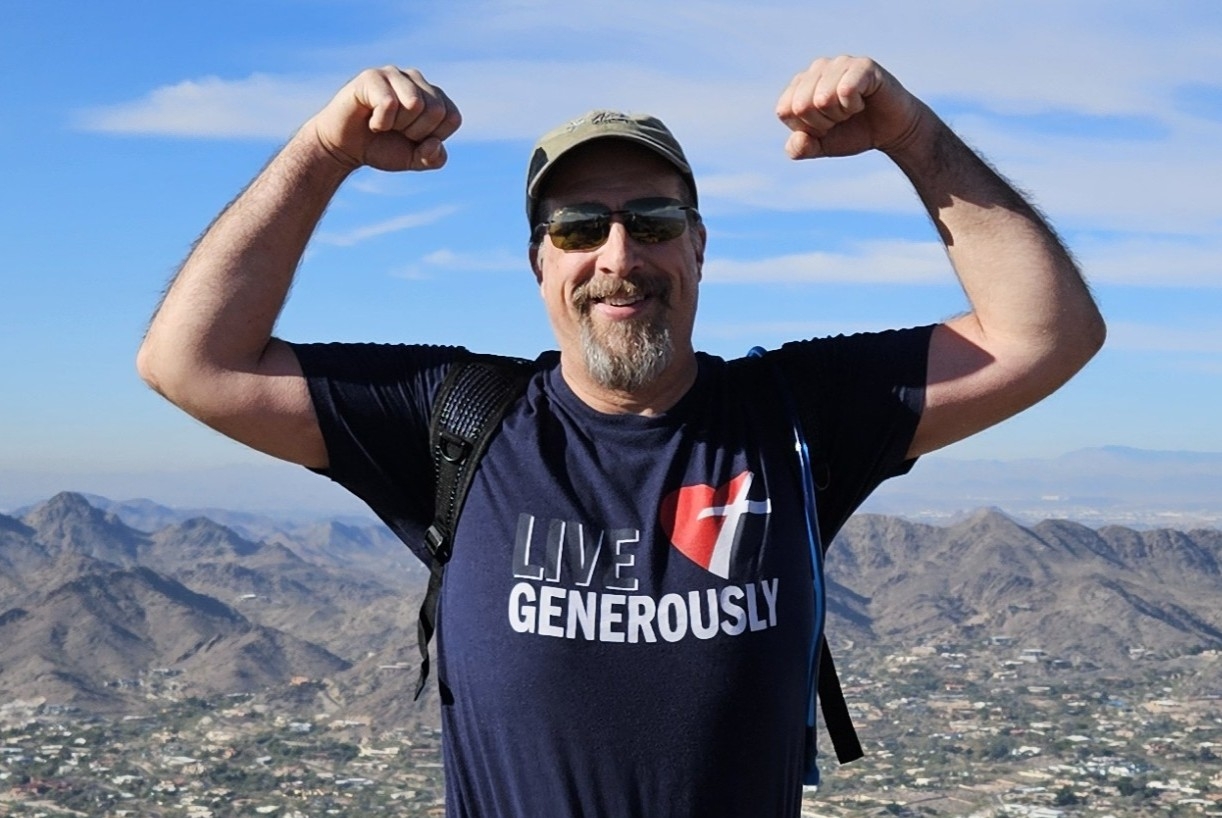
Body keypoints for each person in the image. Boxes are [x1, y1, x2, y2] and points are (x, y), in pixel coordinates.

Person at [137, 56, 1105, 817]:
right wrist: (322, 147)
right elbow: (190, 360)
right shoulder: (457, 422)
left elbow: (1046, 331)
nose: (618, 256)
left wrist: (907, 131)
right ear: (536, 263)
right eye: (576, 227)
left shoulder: (790, 419)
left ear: (697, 247)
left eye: (651, 220)